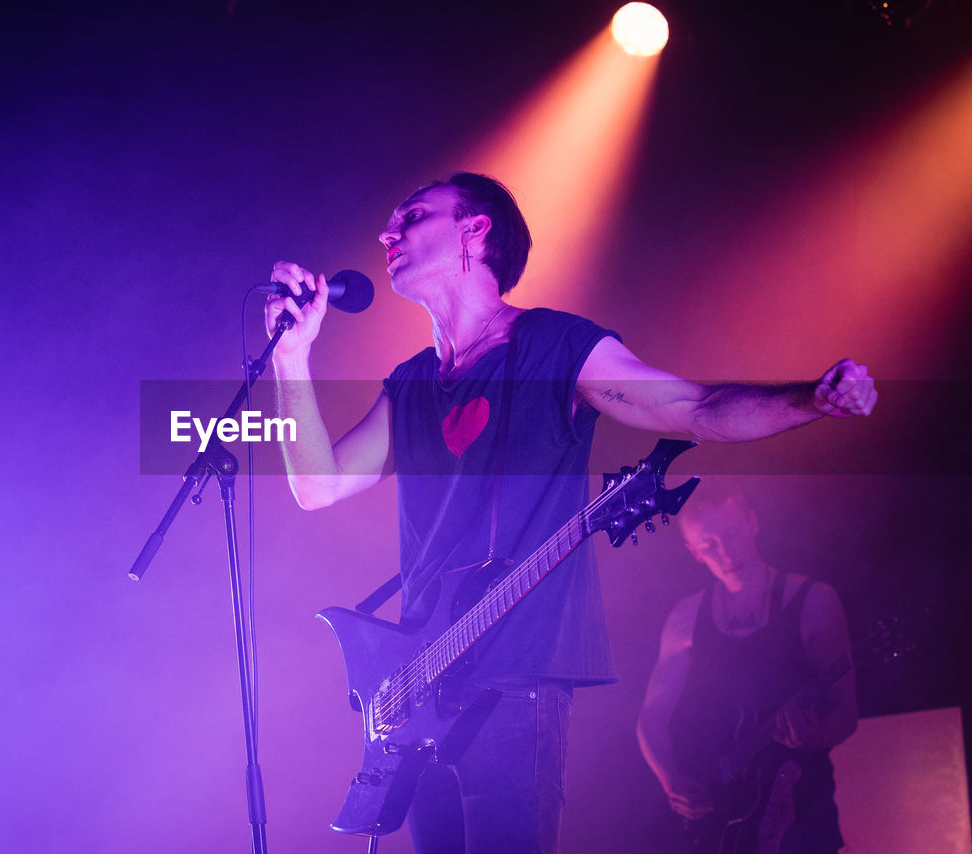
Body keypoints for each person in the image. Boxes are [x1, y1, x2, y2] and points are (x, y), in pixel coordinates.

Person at [263, 172, 875, 854]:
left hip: (515, 678)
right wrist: (293, 357)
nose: (388, 233)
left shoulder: (556, 347)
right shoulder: (410, 384)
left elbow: (692, 409)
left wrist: (807, 400)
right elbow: (316, 485)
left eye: (412, 215)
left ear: (475, 229)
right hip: (424, 691)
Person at [637, 480, 857, 853]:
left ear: (753, 523)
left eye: (732, 533)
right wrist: (671, 780)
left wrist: (816, 737)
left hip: (801, 811)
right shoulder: (685, 618)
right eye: (709, 544)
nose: (725, 551)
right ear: (694, 552)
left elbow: (846, 711)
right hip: (721, 818)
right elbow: (652, 717)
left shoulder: (814, 602)